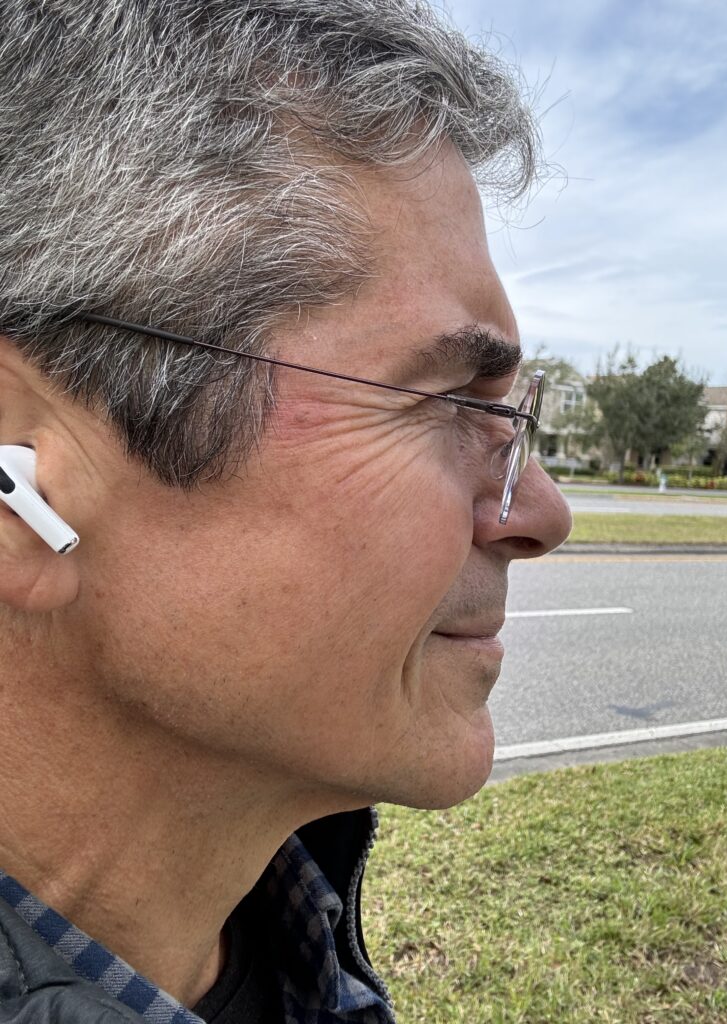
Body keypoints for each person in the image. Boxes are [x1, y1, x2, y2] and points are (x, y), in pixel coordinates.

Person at [0, 2, 572, 1021]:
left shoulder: (292, 951)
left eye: (512, 422)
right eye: (450, 403)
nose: (541, 511)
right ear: (22, 481)